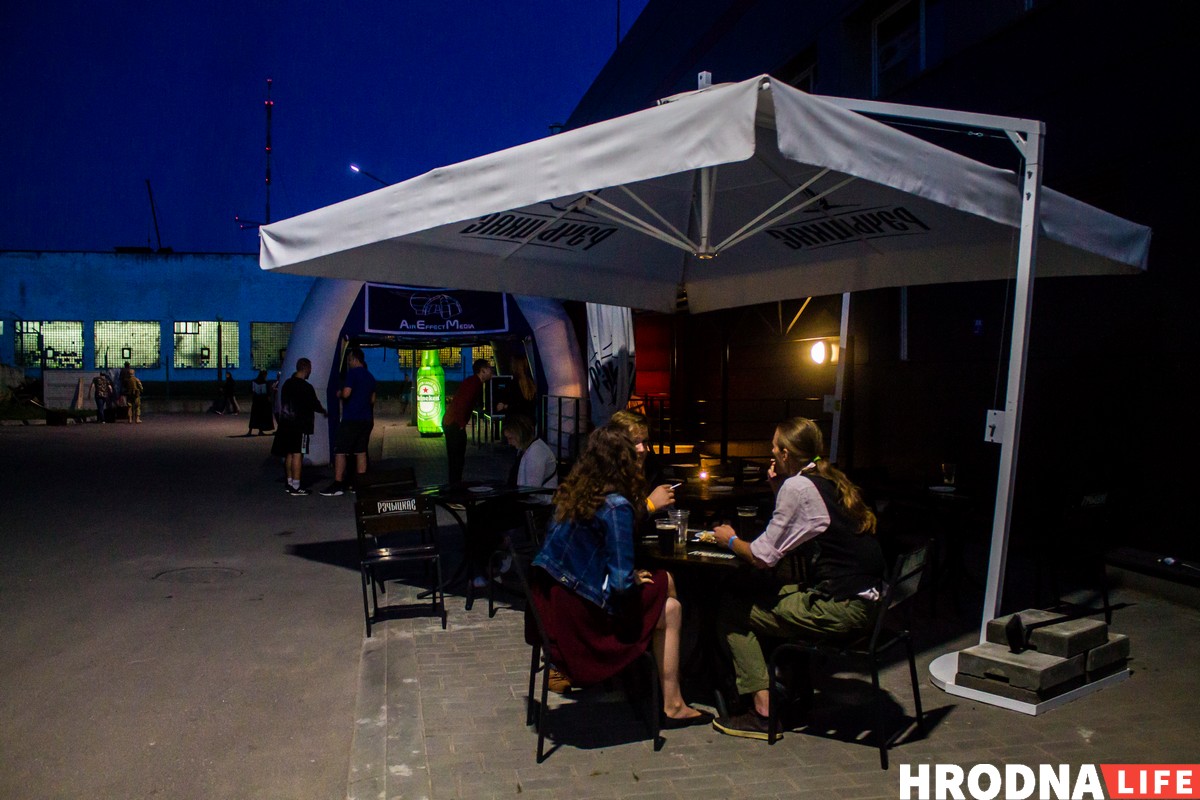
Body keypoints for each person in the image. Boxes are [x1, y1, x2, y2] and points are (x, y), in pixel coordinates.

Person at [708, 417, 885, 740]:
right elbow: (800, 527)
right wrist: (778, 489)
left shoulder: (798, 487)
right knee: (772, 590)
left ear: (786, 453)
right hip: (869, 602)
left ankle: (763, 713)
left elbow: (762, 556)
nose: (771, 452)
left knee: (733, 610)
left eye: (774, 447)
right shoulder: (826, 479)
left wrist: (729, 540)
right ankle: (795, 691)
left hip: (844, 609)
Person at [530, 423, 711, 728]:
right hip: (584, 621)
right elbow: (620, 586)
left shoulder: (576, 492)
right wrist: (629, 578)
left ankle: (660, 689)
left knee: (669, 602)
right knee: (668, 590)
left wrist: (627, 578)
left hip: (554, 611)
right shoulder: (616, 506)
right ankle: (672, 698)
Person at [321, 347, 376, 496]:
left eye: (349, 360)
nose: (349, 363)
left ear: (354, 359)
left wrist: (339, 393)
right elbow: (372, 400)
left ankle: (338, 484)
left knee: (340, 450)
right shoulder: (370, 376)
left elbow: (346, 393)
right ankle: (360, 484)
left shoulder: (352, 373)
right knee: (360, 451)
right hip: (366, 419)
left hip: (351, 419)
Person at [271, 357, 327, 496]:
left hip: (286, 424)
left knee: (289, 453)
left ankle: (289, 483)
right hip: (300, 426)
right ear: (306, 368)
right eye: (310, 369)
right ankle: (296, 486)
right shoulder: (306, 387)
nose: (310, 372)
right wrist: (324, 411)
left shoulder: (287, 384)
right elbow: (314, 404)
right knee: (298, 454)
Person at [609, 409, 675, 515]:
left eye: (644, 441)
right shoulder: (607, 473)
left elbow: (666, 512)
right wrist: (649, 505)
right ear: (617, 443)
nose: (642, 449)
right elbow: (617, 519)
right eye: (635, 442)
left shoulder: (651, 466)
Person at [442, 358, 494, 484]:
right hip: (454, 424)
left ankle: (454, 484)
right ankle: (455, 485)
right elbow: (463, 403)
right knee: (457, 458)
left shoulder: (473, 382)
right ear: (482, 371)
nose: (491, 370)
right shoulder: (474, 383)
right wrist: (461, 424)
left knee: (455, 459)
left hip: (451, 422)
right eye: (488, 368)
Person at [247, 370, 275, 435]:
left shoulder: (254, 381)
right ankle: (260, 431)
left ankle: (250, 431)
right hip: (263, 401)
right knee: (261, 416)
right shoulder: (265, 382)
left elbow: (251, 390)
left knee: (254, 416)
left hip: (256, 401)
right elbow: (268, 393)